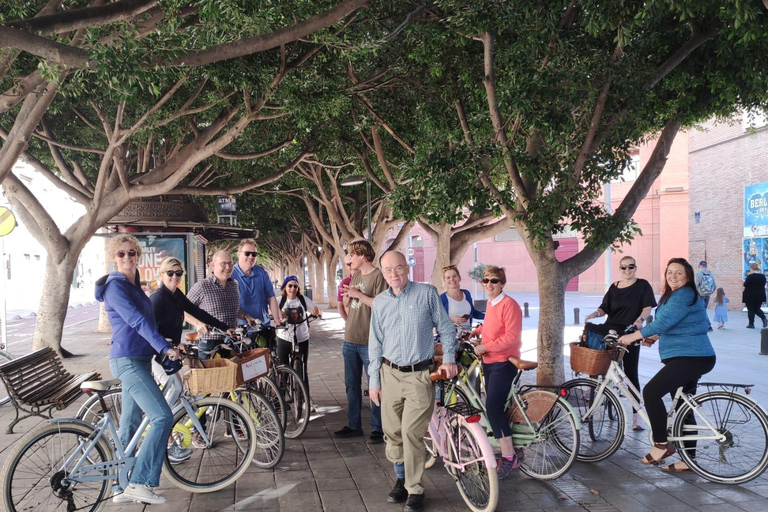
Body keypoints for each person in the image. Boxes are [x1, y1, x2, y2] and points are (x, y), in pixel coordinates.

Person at [368, 251, 458, 512]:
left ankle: (415, 489)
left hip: (419, 375)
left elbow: (446, 327)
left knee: (411, 433)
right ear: (383, 273)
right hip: (389, 374)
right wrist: (374, 380)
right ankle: (401, 478)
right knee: (392, 434)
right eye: (388, 270)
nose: (394, 274)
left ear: (407, 269)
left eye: (398, 268)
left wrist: (449, 358)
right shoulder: (380, 303)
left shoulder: (426, 293)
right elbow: (375, 342)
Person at [95, 235, 181, 505]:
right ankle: (140, 481)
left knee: (130, 423)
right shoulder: (115, 286)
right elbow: (135, 321)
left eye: (132, 252)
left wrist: (164, 343)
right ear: (113, 256)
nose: (127, 257)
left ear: (138, 254)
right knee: (162, 417)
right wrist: (163, 348)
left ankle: (119, 486)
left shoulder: (135, 282)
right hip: (127, 361)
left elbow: (149, 322)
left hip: (140, 359)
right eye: (121, 253)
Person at [618, 258, 716, 474]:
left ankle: (661, 445)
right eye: (669, 272)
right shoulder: (675, 295)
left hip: (691, 357)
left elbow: (664, 322)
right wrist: (653, 336)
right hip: (687, 356)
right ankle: (689, 461)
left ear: (688, 276)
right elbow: (673, 324)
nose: (673, 276)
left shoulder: (685, 294)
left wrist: (635, 335)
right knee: (683, 408)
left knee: (651, 391)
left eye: (678, 273)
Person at [584, 255, 657, 430]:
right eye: (623, 267)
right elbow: (604, 308)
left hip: (630, 332)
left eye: (630, 267)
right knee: (600, 366)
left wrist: (640, 320)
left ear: (635, 267)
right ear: (620, 269)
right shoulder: (614, 287)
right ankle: (595, 393)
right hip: (611, 332)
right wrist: (594, 314)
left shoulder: (642, 285)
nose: (627, 270)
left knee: (631, 373)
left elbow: (647, 307)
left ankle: (636, 416)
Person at [471, 266, 523, 478]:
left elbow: (512, 337)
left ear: (502, 283)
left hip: (504, 362)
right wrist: (476, 331)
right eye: (485, 281)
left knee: (492, 406)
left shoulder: (509, 304)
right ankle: (515, 450)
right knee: (498, 407)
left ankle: (508, 456)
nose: (489, 285)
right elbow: (491, 327)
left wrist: (486, 347)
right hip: (490, 362)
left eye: (494, 281)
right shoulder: (492, 304)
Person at [335, 240, 386, 443]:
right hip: (350, 339)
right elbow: (348, 303)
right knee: (351, 385)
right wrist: (348, 296)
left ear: (363, 255)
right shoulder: (355, 275)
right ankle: (353, 425)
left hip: (369, 341)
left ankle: (378, 428)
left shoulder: (378, 276)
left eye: (352, 255)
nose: (349, 259)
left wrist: (358, 294)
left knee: (375, 384)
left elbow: (381, 305)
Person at [187, 250, 241, 358]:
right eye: (223, 264)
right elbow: (182, 310)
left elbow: (232, 309)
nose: (228, 267)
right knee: (211, 375)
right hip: (210, 344)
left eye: (230, 264)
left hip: (231, 342)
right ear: (213, 265)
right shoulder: (202, 286)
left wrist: (245, 316)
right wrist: (197, 324)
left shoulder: (234, 285)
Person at [276, 275, 321, 393]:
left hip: (302, 338)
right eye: (290, 286)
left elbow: (315, 309)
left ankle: (305, 400)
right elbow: (270, 309)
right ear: (285, 287)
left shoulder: (302, 300)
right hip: (284, 337)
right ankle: (280, 400)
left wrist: (316, 312)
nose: (292, 289)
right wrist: (278, 313)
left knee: (303, 369)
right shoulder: (279, 300)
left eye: (295, 286)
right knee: (283, 368)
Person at [232, 239, 282, 329]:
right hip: (240, 330)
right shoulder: (230, 274)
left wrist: (277, 318)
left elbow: (271, 297)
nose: (251, 257)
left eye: (254, 254)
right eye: (247, 253)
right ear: (238, 254)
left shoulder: (262, 272)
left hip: (262, 327)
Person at [439, 264, 485, 330]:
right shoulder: (441, 298)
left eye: (454, 276)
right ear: (445, 281)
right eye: (448, 277)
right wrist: (451, 320)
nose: (452, 279)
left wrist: (488, 316)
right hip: (449, 338)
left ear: (459, 278)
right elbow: (436, 321)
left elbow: (473, 312)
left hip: (466, 336)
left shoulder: (467, 294)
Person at [742, 262, 768, 329]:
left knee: (751, 310)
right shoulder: (762, 276)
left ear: (752, 268)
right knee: (757, 309)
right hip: (760, 295)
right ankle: (764, 318)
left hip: (750, 295)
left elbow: (745, 285)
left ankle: (751, 324)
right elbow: (763, 284)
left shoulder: (750, 277)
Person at [695, 260, 716, 331]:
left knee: (702, 310)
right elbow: (715, 285)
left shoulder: (698, 273)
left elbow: (696, 284)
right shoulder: (710, 273)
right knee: (704, 309)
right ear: (706, 266)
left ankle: (708, 325)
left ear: (700, 266)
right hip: (708, 294)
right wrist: (710, 292)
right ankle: (704, 324)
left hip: (701, 294)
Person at [337, 254, 355, 321]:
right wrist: (347, 322)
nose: (351, 266)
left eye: (352, 263)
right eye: (348, 264)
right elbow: (340, 305)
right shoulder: (344, 283)